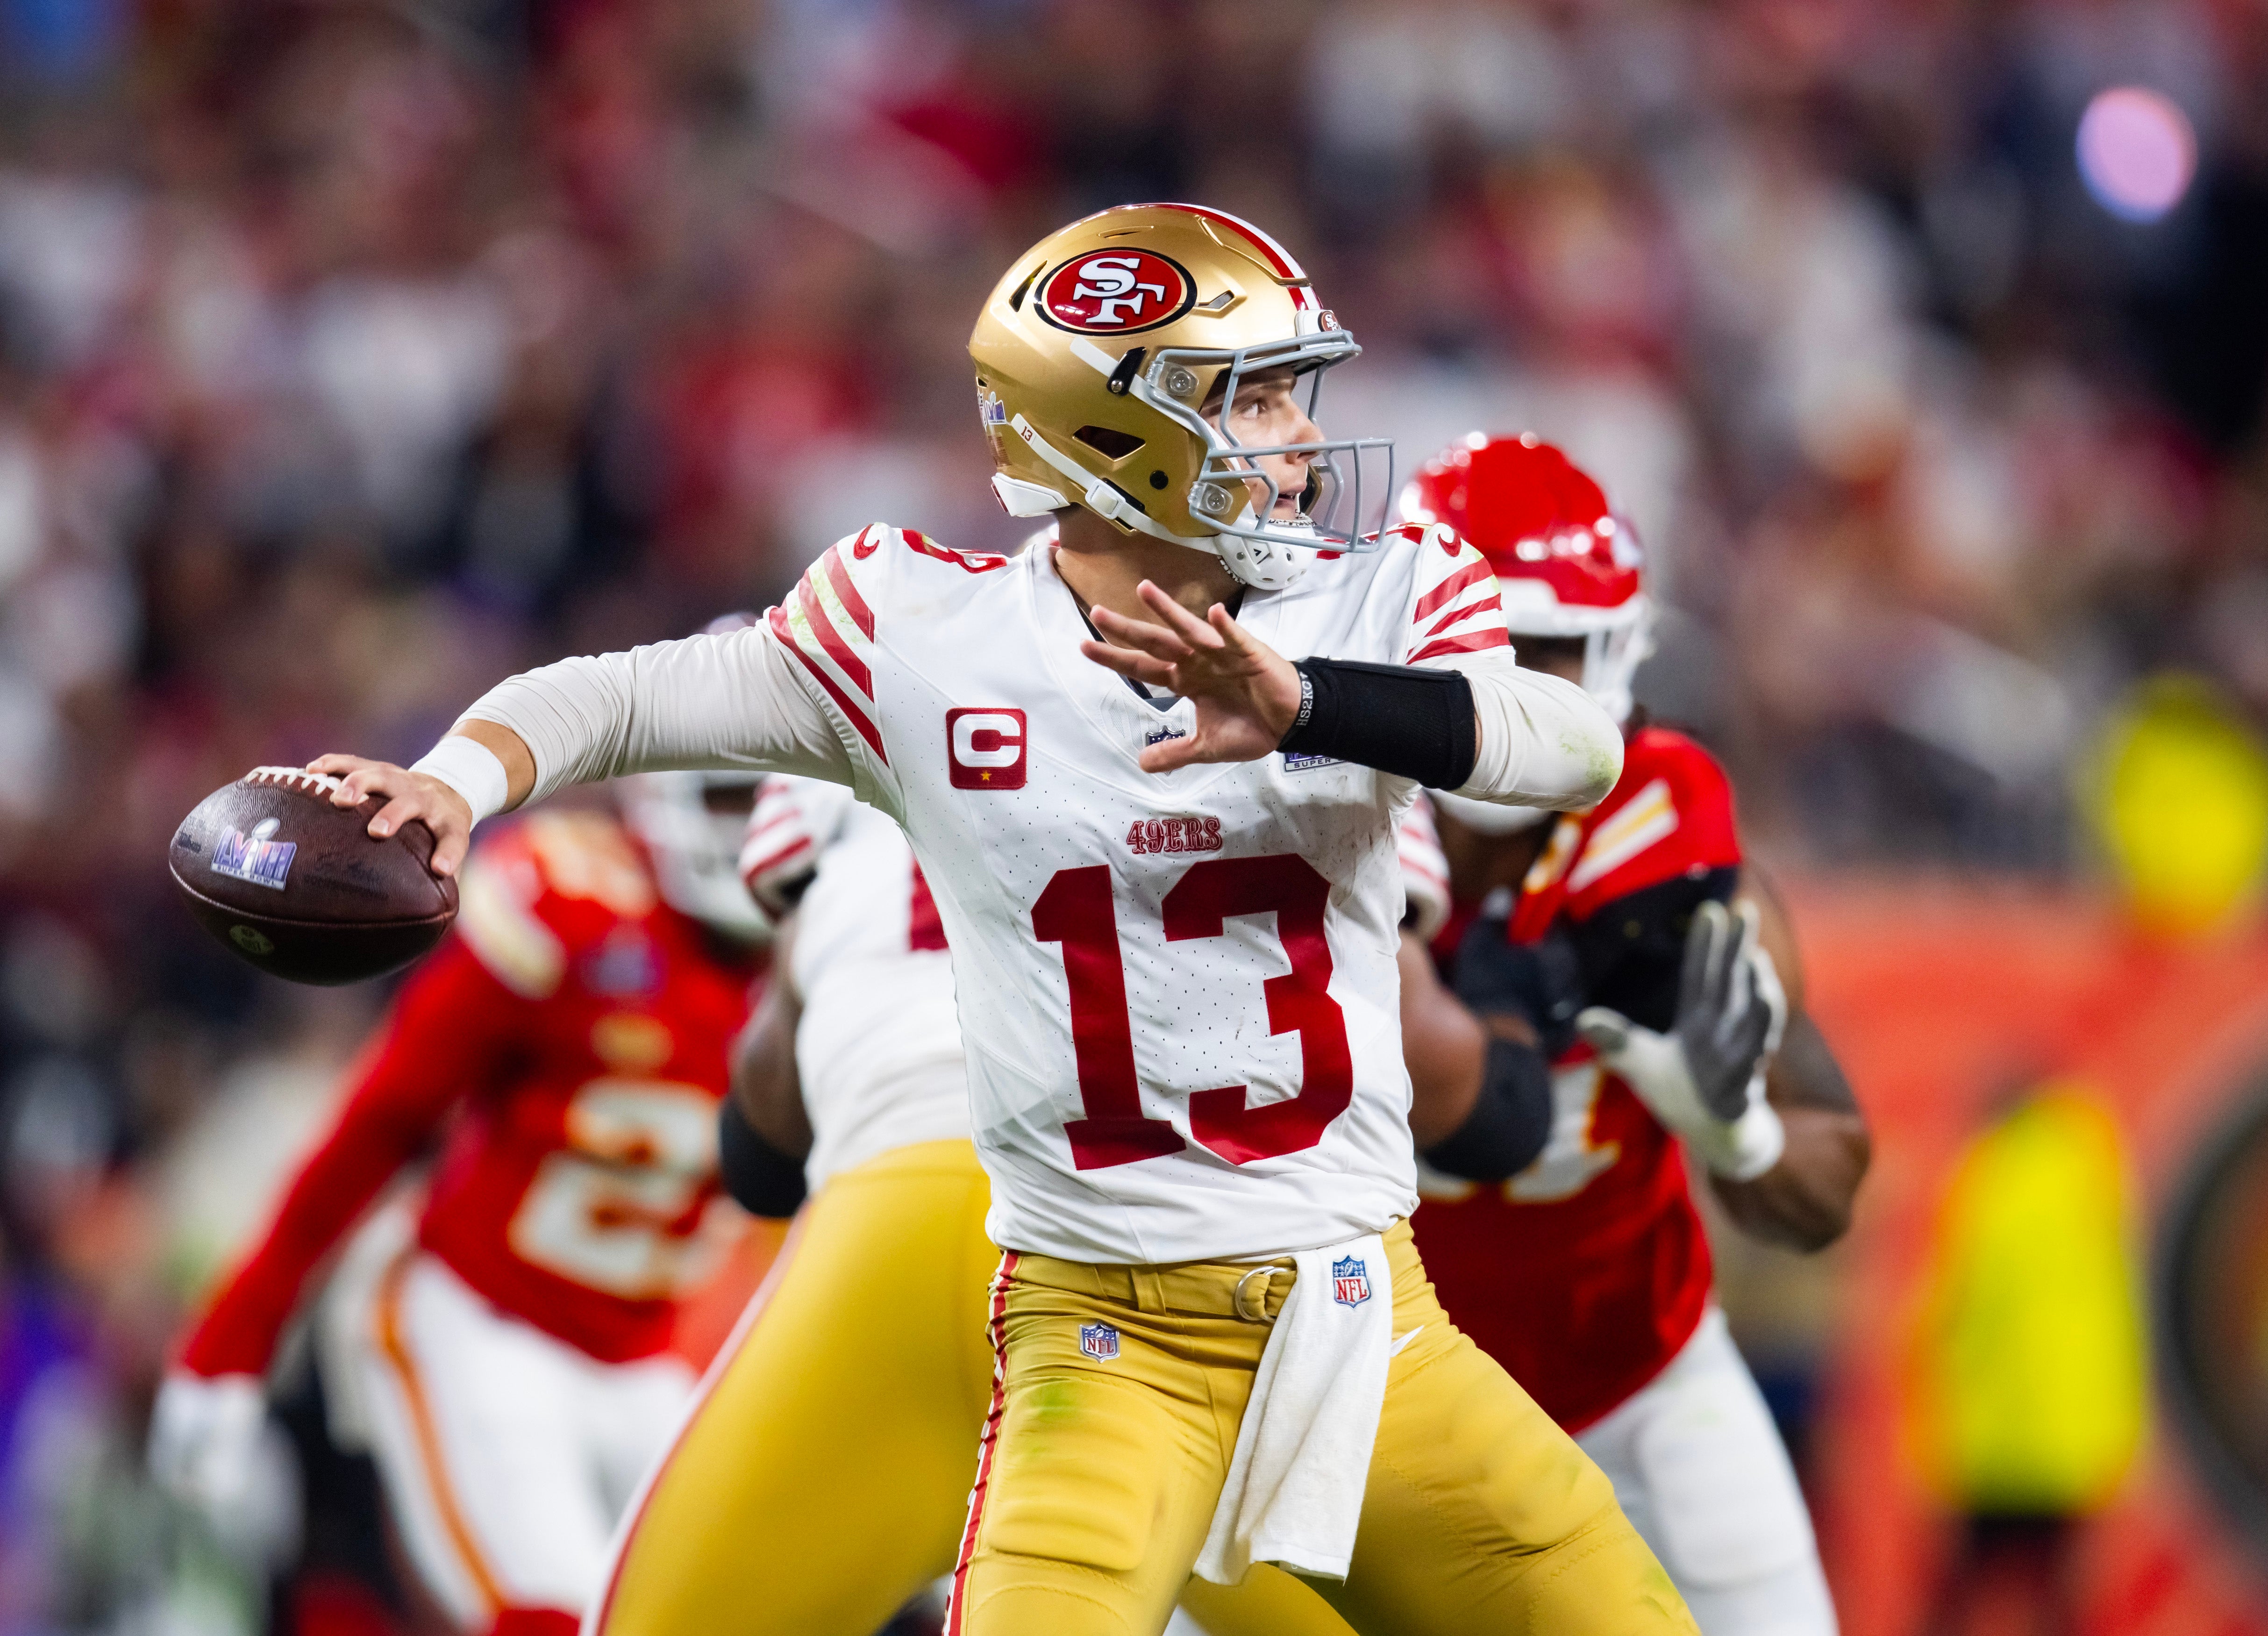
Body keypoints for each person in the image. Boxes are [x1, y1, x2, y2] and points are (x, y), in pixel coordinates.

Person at [303, 203, 1694, 1634]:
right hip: (1102, 1344)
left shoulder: (1380, 594)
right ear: (1121, 433)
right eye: (1255, 394)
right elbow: (620, 696)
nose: (1298, 432)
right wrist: (451, 782)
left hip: (1362, 1323)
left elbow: (1567, 740)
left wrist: (1306, 703)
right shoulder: (919, 634)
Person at [594, 772, 1354, 1636]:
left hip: (896, 1222)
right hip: (1161, 1234)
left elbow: (763, 1146)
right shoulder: (1260, 708)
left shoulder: (841, 722)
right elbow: (1458, 1100)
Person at [1400, 434, 1873, 1636]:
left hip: (1633, 1382)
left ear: (1615, 657)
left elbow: (1826, 1181)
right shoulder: (1318, 805)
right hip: (1366, 1400)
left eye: (1551, 648)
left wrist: (1739, 1129)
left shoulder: (1665, 844)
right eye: (1486, 642)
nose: (1519, 684)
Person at [150, 772, 770, 1636]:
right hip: (483, 1319)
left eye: (775, 801)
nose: (753, 830)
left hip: (650, 1352)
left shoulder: (835, 945)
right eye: (731, 798)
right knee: (553, 1620)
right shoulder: (569, 904)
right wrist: (235, 1334)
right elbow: (386, 1116)